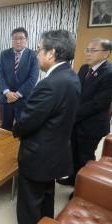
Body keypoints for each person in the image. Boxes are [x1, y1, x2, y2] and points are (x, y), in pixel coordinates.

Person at [12, 30, 81, 224]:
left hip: (38, 156)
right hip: (55, 153)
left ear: (51, 53)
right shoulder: (72, 76)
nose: (37, 54)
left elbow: (26, 123)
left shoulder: (50, 84)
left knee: (29, 205)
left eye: (39, 49)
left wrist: (16, 127)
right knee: (46, 197)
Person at [57, 38, 112, 188]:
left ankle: (82, 189)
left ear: (106, 53)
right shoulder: (83, 68)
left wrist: (72, 113)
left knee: (85, 157)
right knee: (73, 152)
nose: (88, 53)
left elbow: (97, 104)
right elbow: (76, 93)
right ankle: (73, 177)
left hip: (92, 125)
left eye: (93, 50)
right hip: (77, 121)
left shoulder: (109, 73)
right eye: (87, 50)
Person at [0, 27, 39, 131]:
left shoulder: (33, 55)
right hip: (6, 99)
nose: (18, 41)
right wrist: (7, 92)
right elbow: (0, 75)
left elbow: (32, 79)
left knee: (22, 129)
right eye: (15, 38)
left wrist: (17, 94)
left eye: (21, 38)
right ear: (12, 40)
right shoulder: (4, 54)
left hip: (23, 99)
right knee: (5, 128)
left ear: (26, 40)